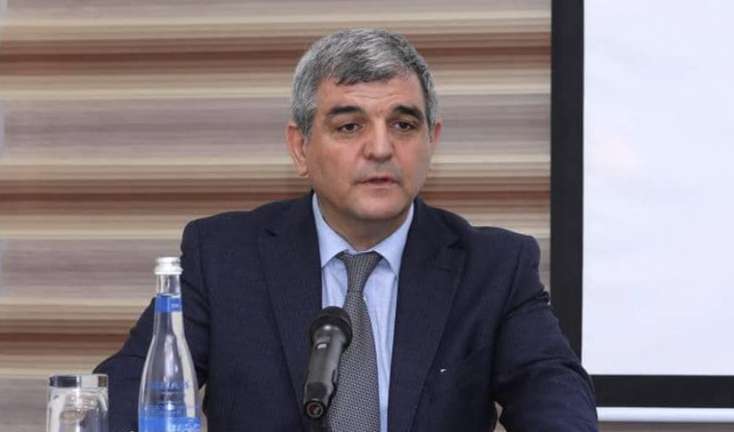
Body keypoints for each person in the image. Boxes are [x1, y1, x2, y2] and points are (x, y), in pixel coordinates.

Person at [95, 28, 598, 432]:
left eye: (403, 125)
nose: (380, 149)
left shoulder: (493, 268)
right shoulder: (224, 257)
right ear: (300, 148)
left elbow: (554, 397)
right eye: (349, 126)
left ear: (433, 140)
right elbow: (123, 397)